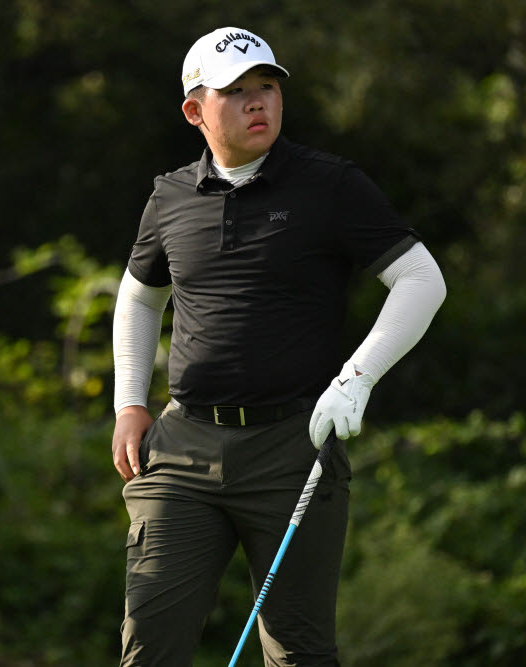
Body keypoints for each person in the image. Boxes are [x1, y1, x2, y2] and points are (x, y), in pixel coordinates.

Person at [111, 26, 446, 666]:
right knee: (150, 646)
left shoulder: (330, 184)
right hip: (182, 450)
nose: (257, 102)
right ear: (194, 111)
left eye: (265, 86)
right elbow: (139, 295)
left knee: (298, 654)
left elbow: (420, 278)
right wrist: (131, 401)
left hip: (293, 449)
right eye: (234, 92)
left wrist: (358, 377)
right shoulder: (171, 196)